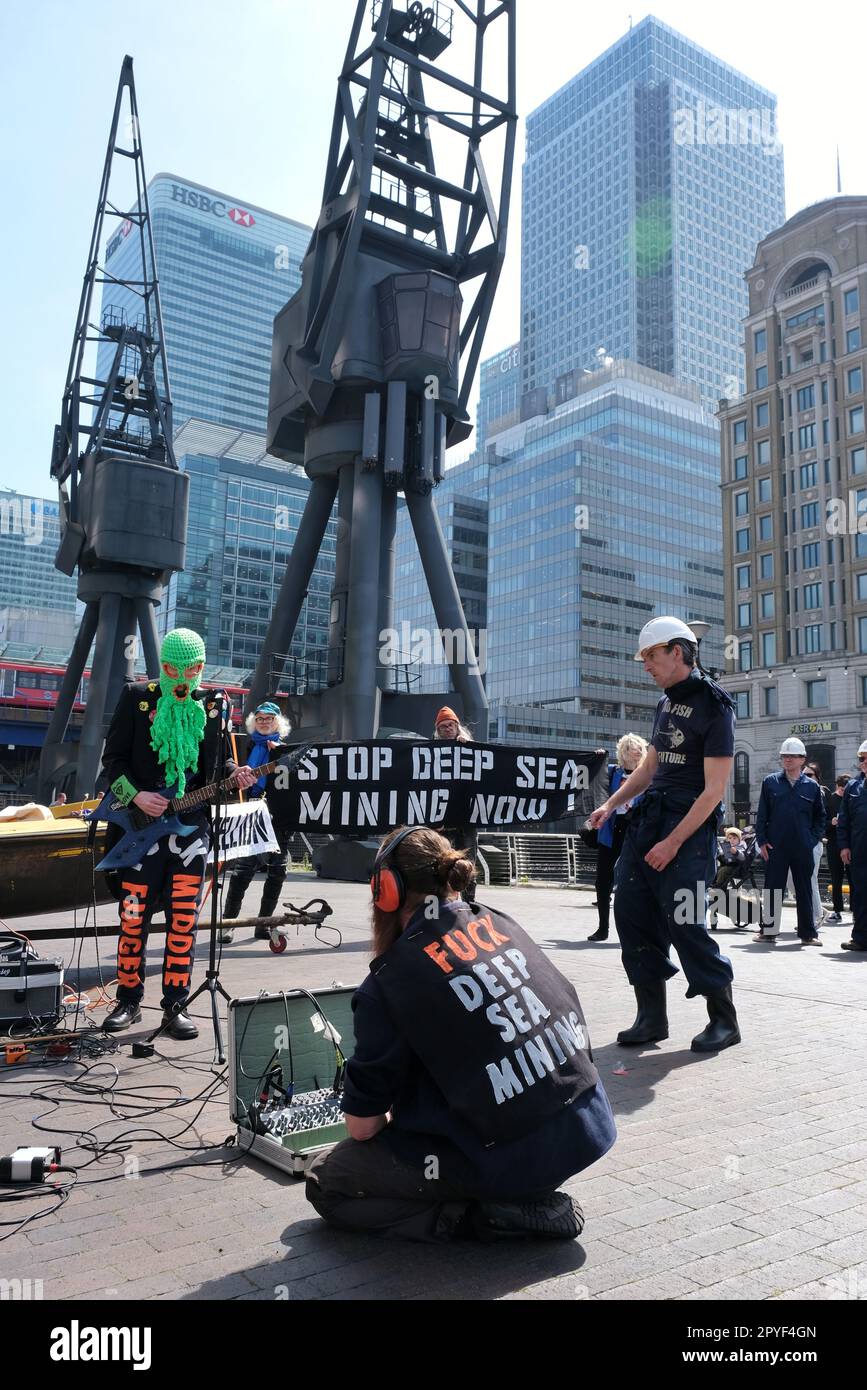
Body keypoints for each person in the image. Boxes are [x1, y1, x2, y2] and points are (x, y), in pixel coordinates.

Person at [305, 825, 617, 1243]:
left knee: (328, 1180)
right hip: (587, 1130)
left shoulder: (389, 984)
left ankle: (483, 1216)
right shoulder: (502, 922)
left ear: (386, 892)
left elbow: (363, 1128)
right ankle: (513, 1192)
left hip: (516, 1158)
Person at [588, 616, 740, 1053]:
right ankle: (651, 1017)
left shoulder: (716, 706)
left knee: (685, 919)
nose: (646, 666)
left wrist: (673, 842)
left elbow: (713, 791)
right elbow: (650, 768)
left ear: (677, 651)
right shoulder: (664, 704)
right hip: (649, 821)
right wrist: (610, 804)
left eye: (651, 656)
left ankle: (724, 1020)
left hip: (688, 830)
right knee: (631, 911)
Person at [100, 628, 257, 1038]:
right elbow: (111, 765)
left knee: (183, 922)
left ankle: (175, 1004)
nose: (184, 677)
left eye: (193, 669)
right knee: (132, 919)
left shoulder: (213, 706)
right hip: (140, 832)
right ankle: (129, 1000)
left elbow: (217, 767)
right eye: (174, 669)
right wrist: (136, 796)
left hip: (191, 835)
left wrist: (233, 775)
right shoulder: (137, 698)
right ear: (163, 665)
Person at [220, 701, 293, 943]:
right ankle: (228, 924)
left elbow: (297, 784)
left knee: (277, 872)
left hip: (278, 816)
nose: (263, 722)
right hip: (249, 812)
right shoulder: (243, 745)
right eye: (260, 718)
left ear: (277, 723)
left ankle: (264, 924)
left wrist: (279, 755)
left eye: (269, 718)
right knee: (243, 871)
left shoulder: (287, 751)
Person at [754, 738, 825, 946]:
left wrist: (812, 839)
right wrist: (762, 841)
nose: (788, 760)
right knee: (773, 887)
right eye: (785, 756)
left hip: (803, 847)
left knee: (804, 888)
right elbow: (762, 815)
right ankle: (768, 931)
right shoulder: (770, 782)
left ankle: (808, 934)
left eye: (792, 756)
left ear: (802, 759)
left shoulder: (812, 787)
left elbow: (820, 817)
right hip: (776, 846)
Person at [587, 733, 647, 942]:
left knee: (635, 883)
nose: (638, 750)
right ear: (623, 751)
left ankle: (637, 931)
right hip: (612, 830)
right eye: (632, 747)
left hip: (637, 830)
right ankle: (603, 928)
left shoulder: (648, 775)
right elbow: (592, 778)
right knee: (602, 881)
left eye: (640, 746)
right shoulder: (613, 772)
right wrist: (597, 758)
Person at [432, 705, 478, 899]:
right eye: (443, 726)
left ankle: (469, 905)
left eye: (451, 725)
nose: (448, 729)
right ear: (438, 731)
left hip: (466, 820)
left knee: (467, 866)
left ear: (458, 727)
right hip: (442, 822)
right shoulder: (431, 753)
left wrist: (468, 748)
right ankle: (446, 904)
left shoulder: (471, 749)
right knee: (442, 865)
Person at [837, 741, 867, 951]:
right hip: (859, 850)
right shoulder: (854, 787)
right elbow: (844, 819)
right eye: (861, 759)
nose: (862, 763)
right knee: (860, 895)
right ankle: (860, 938)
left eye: (866, 758)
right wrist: (844, 846)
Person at [708, 827, 747, 930]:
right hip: (728, 866)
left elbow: (743, 857)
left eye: (734, 838)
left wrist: (735, 852)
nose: (732, 840)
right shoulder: (726, 846)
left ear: (739, 839)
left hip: (737, 869)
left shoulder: (741, 847)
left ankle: (719, 886)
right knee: (718, 869)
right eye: (729, 838)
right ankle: (714, 884)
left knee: (723, 871)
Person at [826, 774, 852, 923]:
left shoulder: (852, 799)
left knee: (853, 877)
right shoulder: (830, 800)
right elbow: (823, 821)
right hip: (834, 842)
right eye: (842, 790)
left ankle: (855, 910)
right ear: (837, 786)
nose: (844, 793)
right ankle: (837, 910)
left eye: (846, 790)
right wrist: (832, 822)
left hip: (850, 843)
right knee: (836, 878)